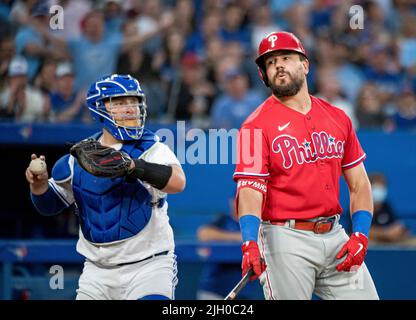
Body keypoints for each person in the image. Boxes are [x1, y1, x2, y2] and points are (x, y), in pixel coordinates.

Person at [233, 31, 379, 300]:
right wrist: (249, 241)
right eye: (270, 62)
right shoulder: (254, 126)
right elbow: (250, 190)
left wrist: (360, 234)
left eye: (286, 57)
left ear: (305, 65)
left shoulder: (338, 117)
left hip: (335, 235)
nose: (278, 65)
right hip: (284, 239)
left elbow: (359, 184)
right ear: (264, 75)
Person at [25, 74, 186, 300]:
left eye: (134, 102)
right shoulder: (80, 156)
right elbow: (49, 205)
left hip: (149, 266)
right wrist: (39, 185)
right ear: (99, 108)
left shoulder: (152, 148)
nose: (130, 109)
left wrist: (134, 166)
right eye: (120, 103)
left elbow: (178, 183)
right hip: (97, 271)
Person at [196, 195, 261, 300]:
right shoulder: (224, 220)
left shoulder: (255, 224)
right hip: (215, 292)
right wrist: (238, 237)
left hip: (244, 293)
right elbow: (203, 233)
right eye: (237, 200)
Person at [369, 172, 412, 243]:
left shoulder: (386, 206)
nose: (379, 191)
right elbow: (357, 231)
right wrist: (386, 233)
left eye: (382, 188)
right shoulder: (359, 206)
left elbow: (397, 226)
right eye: (376, 188)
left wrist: (400, 231)